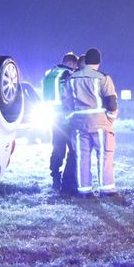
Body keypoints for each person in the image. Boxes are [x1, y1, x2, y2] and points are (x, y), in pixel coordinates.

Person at [65, 48, 119, 197]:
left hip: (78, 124)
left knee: (82, 156)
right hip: (100, 123)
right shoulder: (103, 78)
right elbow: (112, 103)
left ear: (85, 61)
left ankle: (84, 190)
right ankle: (107, 189)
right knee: (104, 155)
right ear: (98, 62)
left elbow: (67, 103)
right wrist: (110, 119)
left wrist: (71, 117)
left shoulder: (72, 78)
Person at [43, 52, 79, 192]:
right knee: (74, 151)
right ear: (71, 63)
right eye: (74, 66)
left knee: (57, 149)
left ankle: (55, 178)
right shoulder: (67, 74)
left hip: (54, 119)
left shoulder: (50, 74)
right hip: (67, 119)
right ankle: (68, 182)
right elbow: (69, 95)